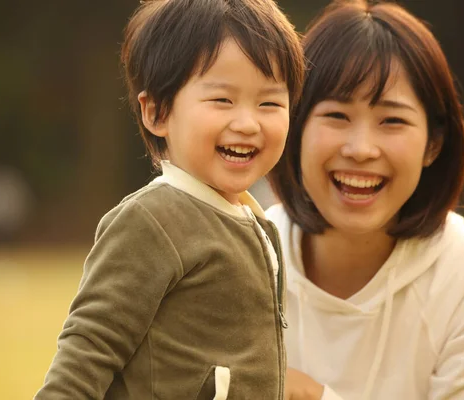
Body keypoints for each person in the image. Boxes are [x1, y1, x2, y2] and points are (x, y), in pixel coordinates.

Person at [35, 0, 305, 398]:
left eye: (269, 103)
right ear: (158, 112)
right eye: (222, 100)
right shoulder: (153, 219)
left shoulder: (255, 221)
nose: (248, 123)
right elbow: (87, 353)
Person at [266, 1, 464, 399]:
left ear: (433, 144)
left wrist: (312, 396)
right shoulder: (239, 258)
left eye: (392, 120)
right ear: (295, 128)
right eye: (336, 115)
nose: (361, 149)